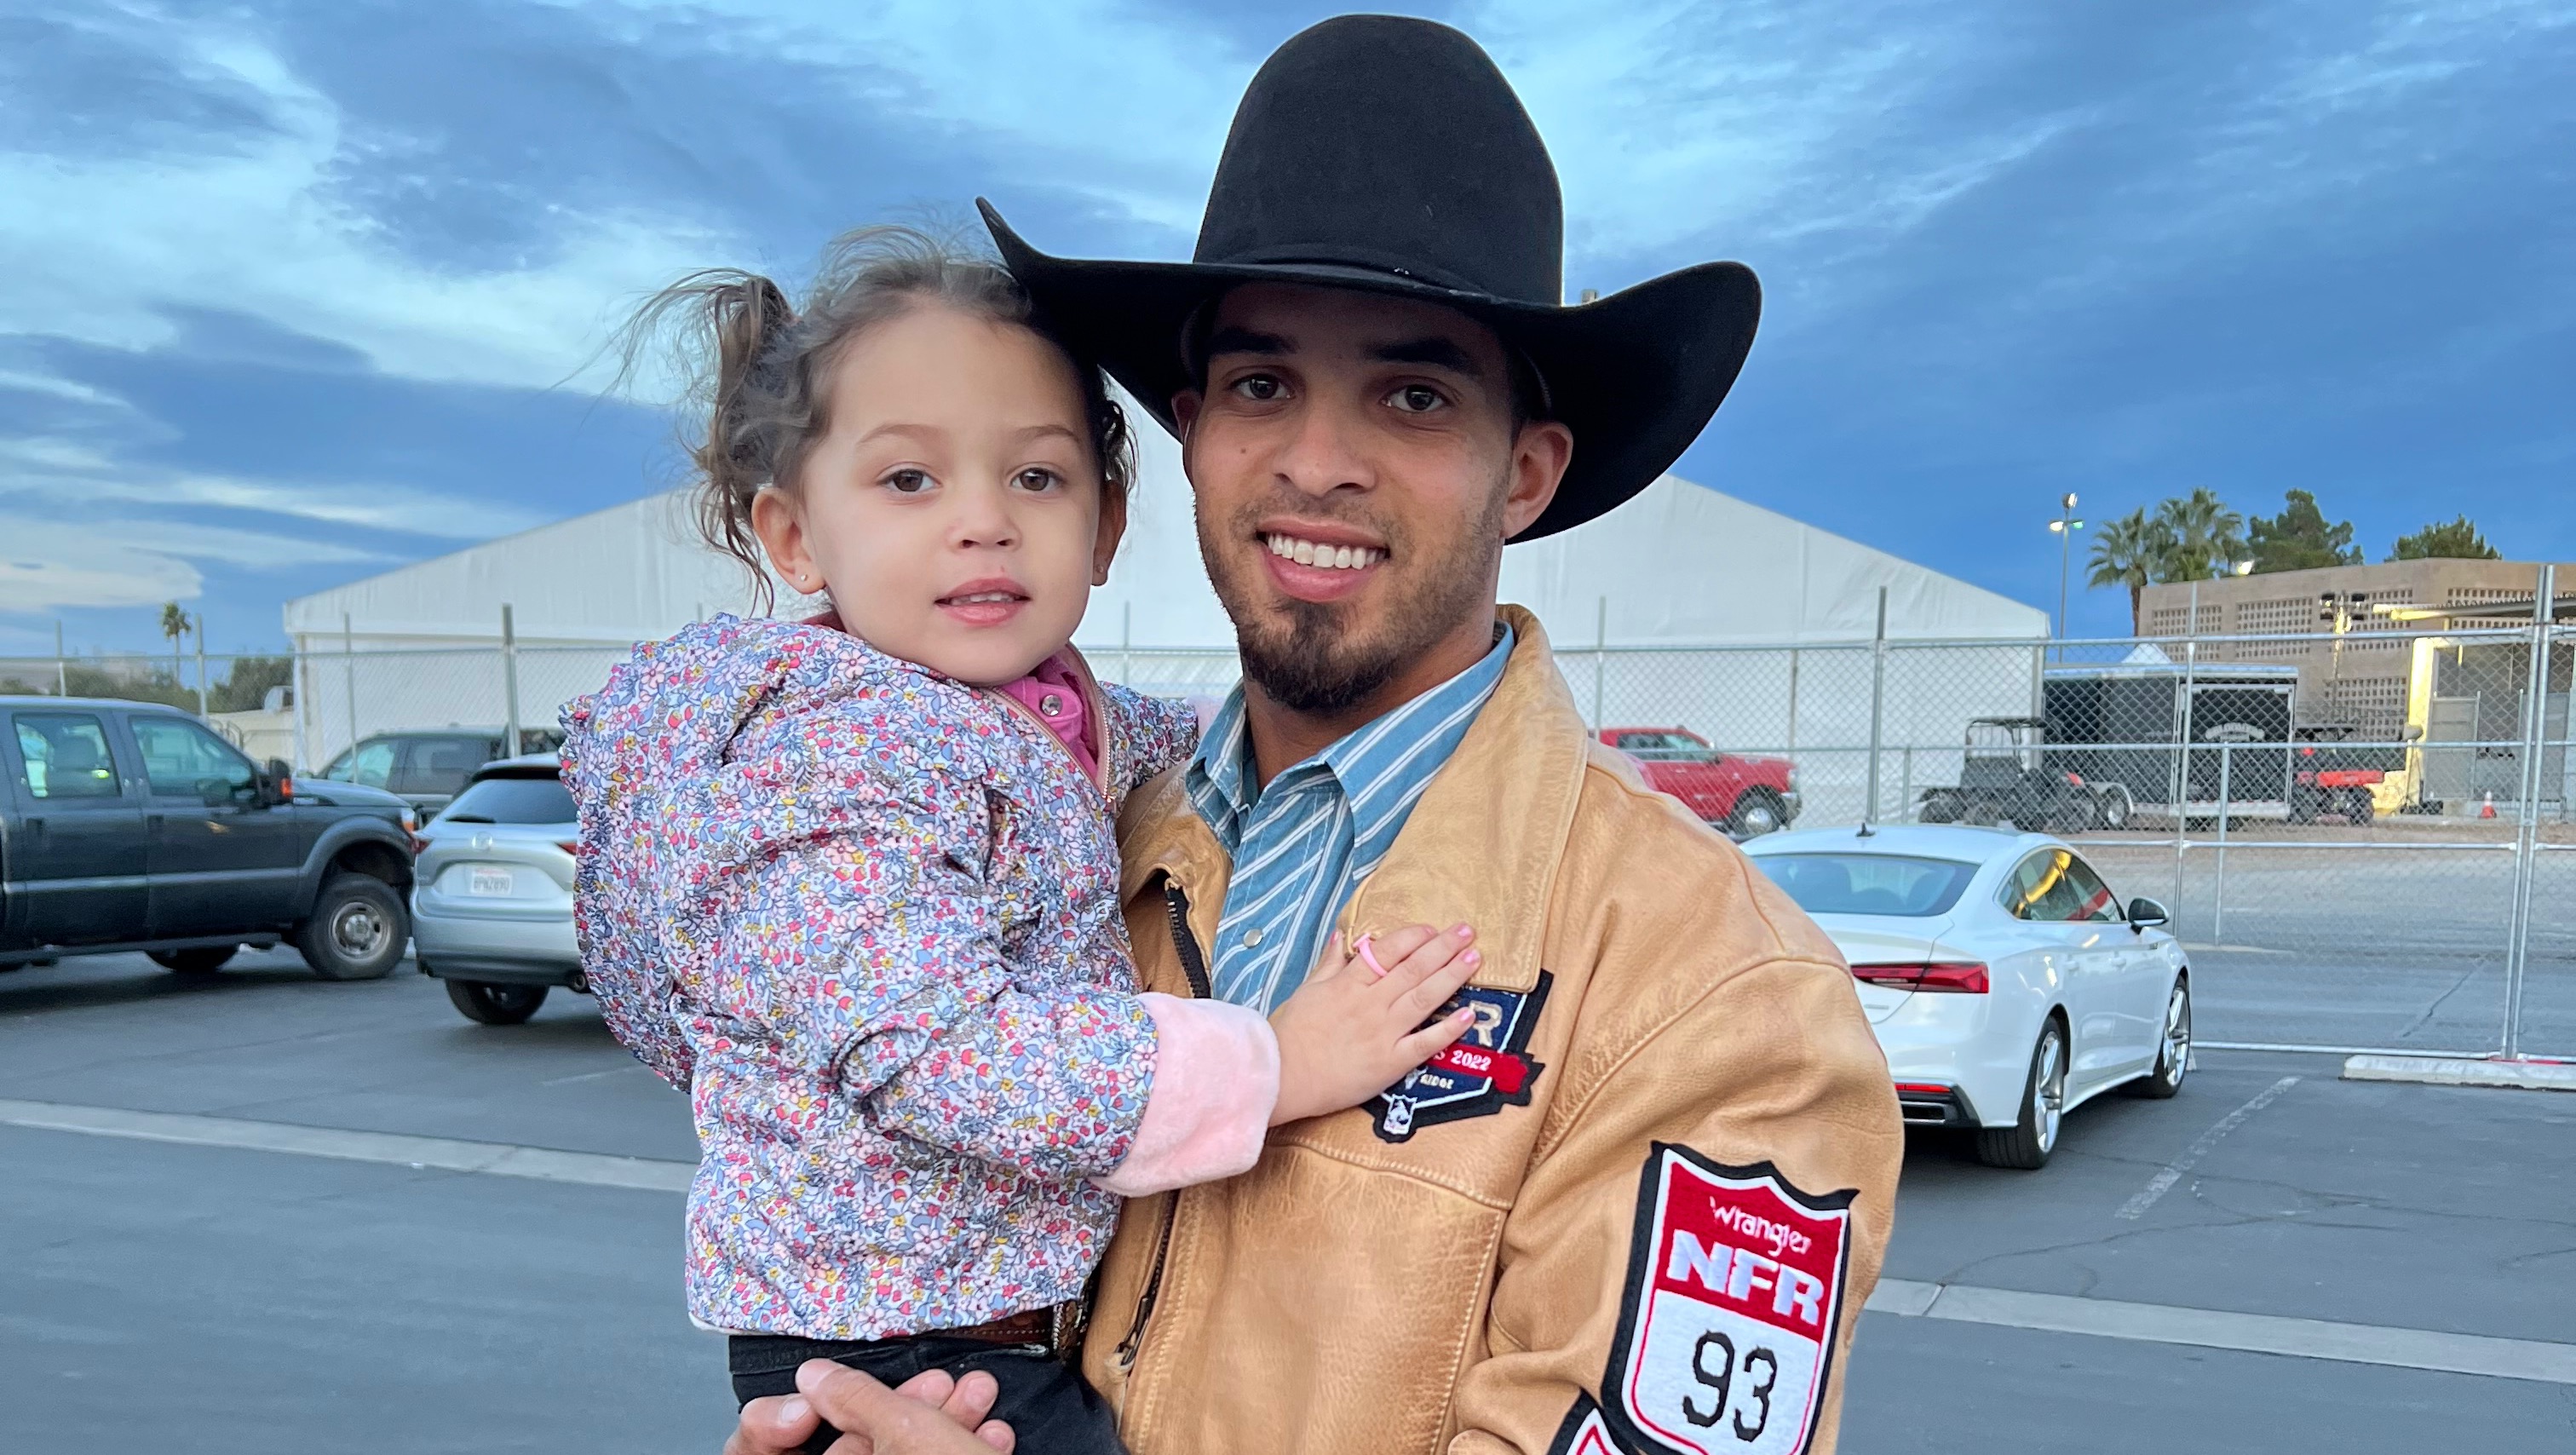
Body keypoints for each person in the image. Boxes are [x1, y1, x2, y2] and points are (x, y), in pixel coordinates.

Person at [739, 16, 1906, 1455]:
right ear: (1191, 432)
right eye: (1262, 385)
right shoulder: (1060, 846)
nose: (1316, 463)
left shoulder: (1723, 997)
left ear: (1526, 474)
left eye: (1414, 396)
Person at [561, 227, 1492, 1455]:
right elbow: (942, 1053)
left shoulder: (1033, 710)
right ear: (794, 538)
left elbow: (1178, 739)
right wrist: (1277, 1064)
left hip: (994, 1314)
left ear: (1106, 528)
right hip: (897, 1337)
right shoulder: (823, 764)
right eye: (910, 480)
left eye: (1038, 477)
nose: (983, 522)